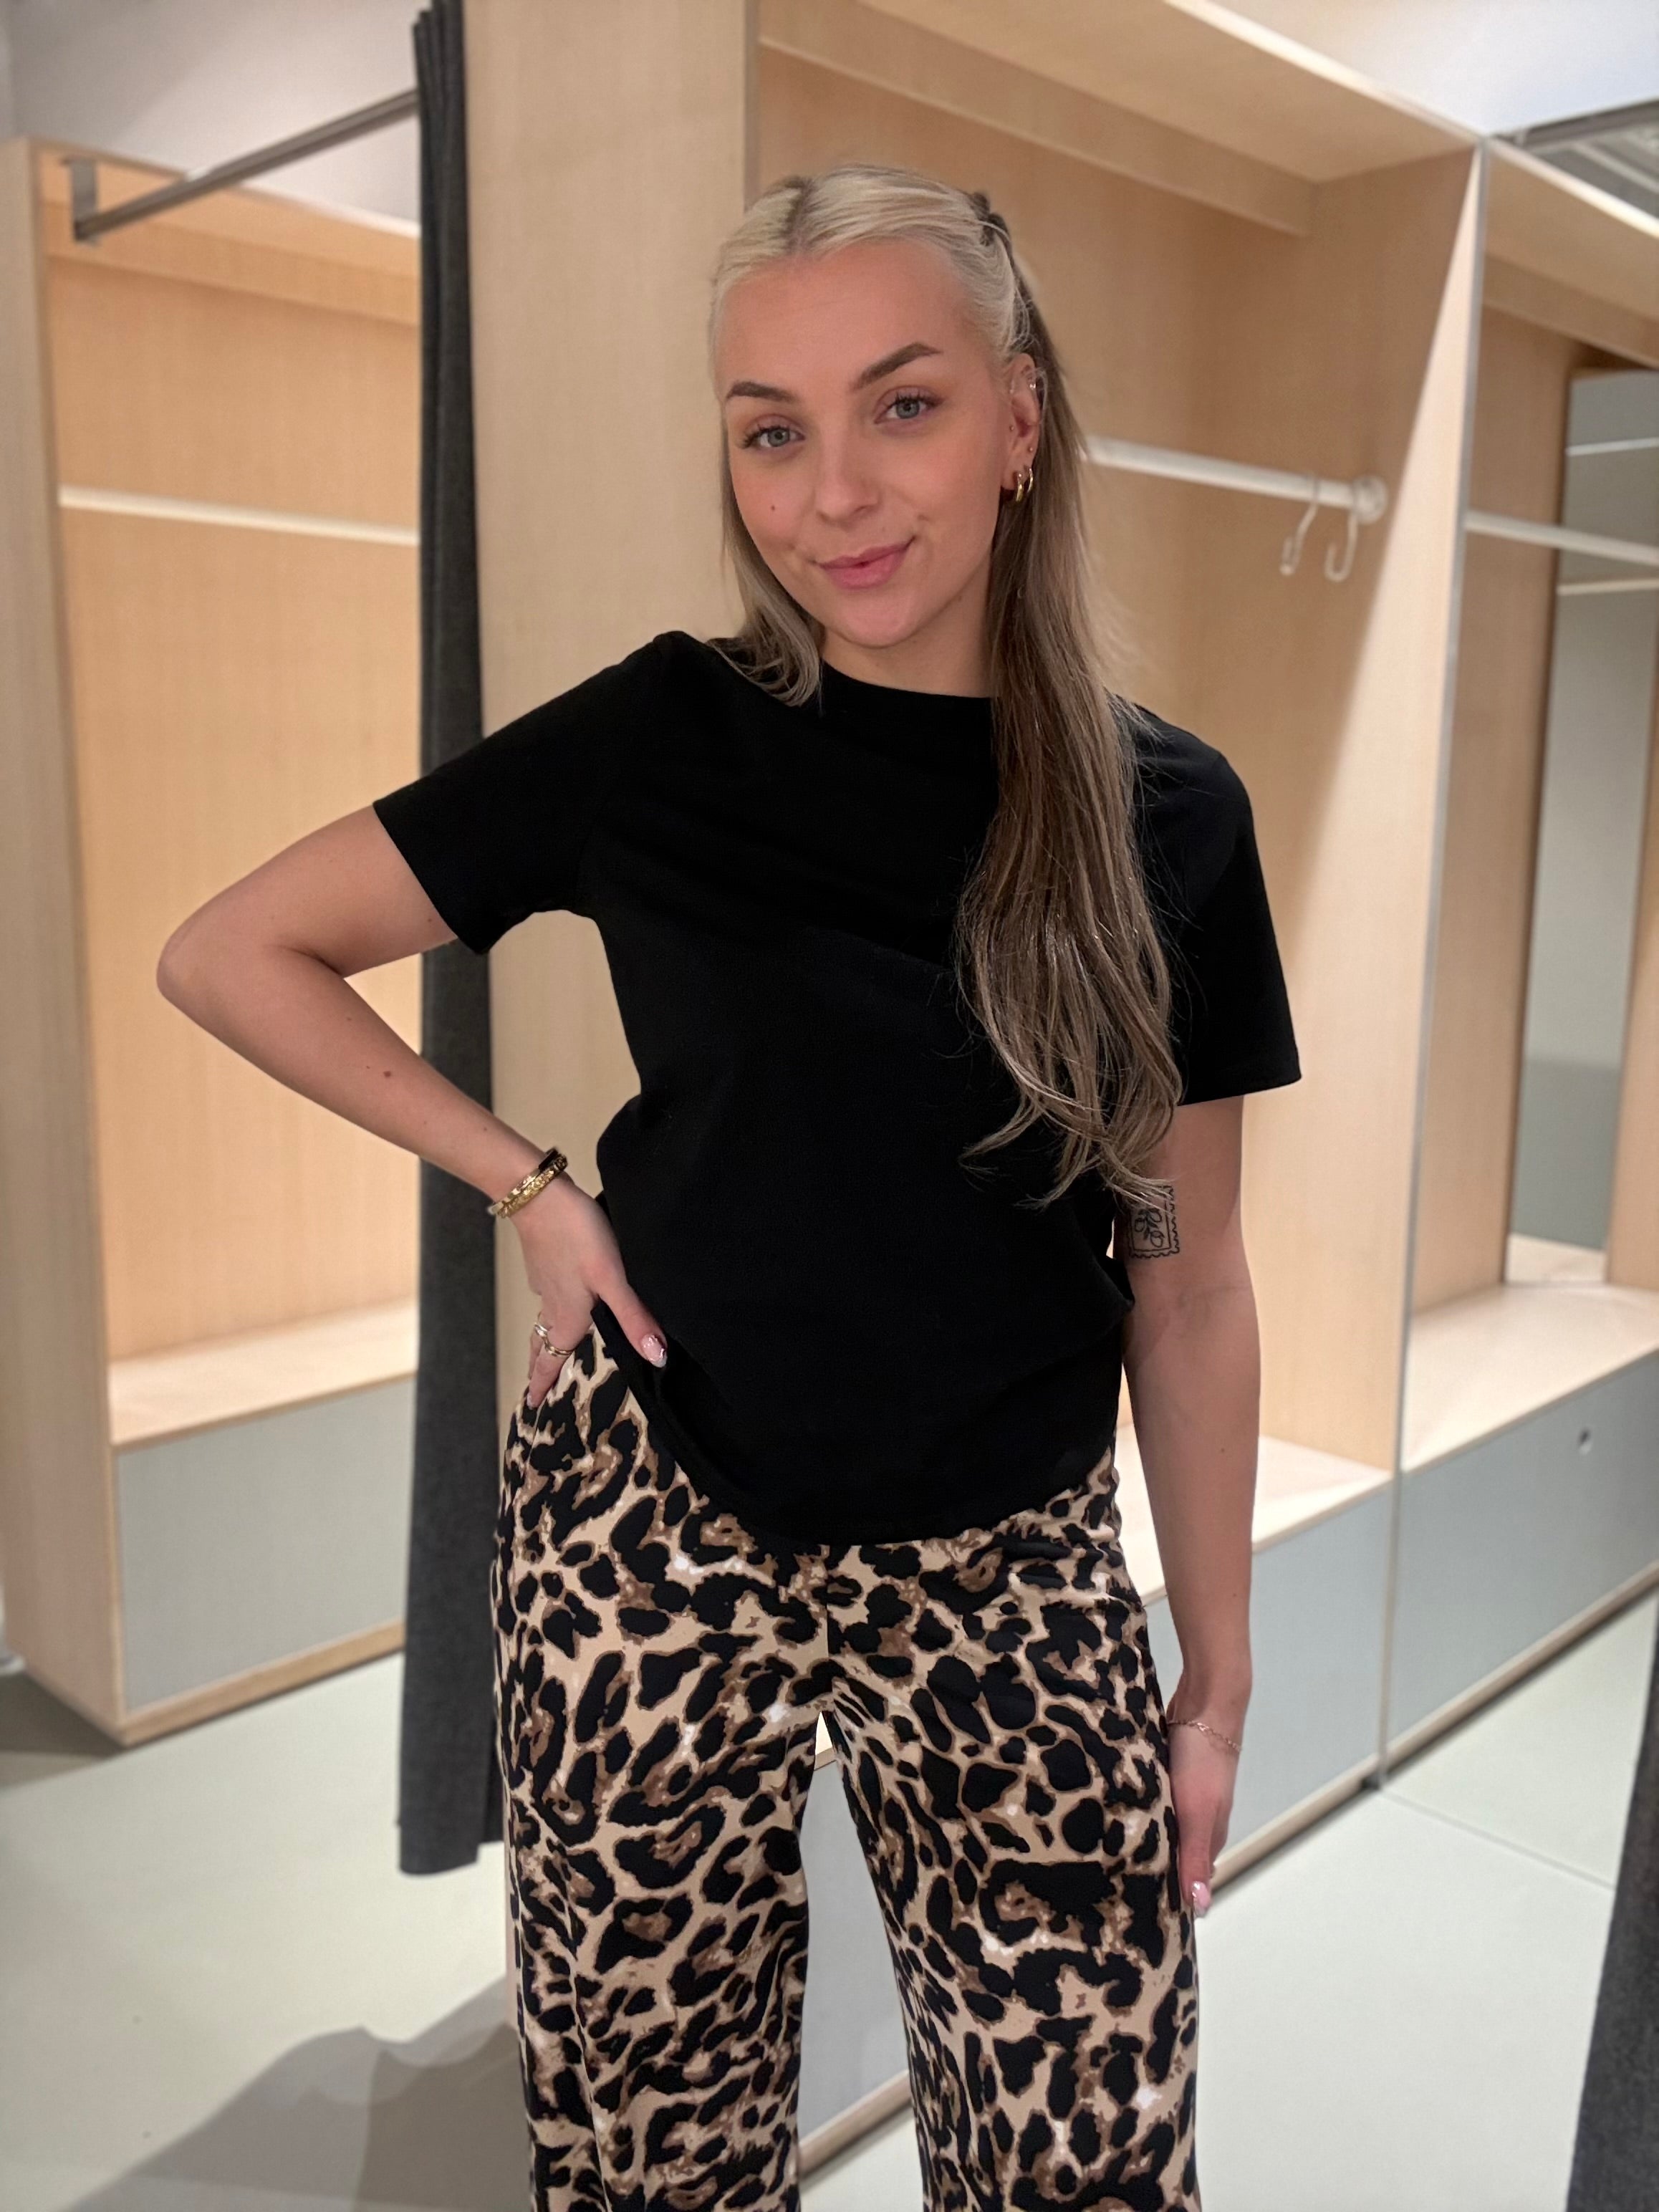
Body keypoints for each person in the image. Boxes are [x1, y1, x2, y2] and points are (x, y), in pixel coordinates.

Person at [158, 161, 1299, 2212]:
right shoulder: (662, 737)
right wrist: (523, 1183)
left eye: (901, 405)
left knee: (1089, 2166)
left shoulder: (1167, 816)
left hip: (1015, 1566)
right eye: (770, 431)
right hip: (653, 1530)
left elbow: (1190, 1280)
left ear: (1020, 418)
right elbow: (234, 951)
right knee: (648, 2163)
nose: (832, 492)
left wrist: (1210, 1676)